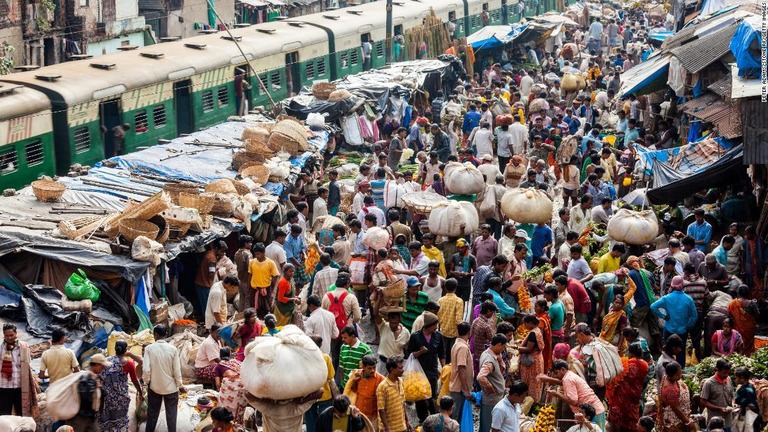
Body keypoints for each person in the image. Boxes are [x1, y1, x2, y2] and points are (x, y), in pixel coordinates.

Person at [143, 325, 184, 432]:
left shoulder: (149, 349)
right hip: (171, 388)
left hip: (154, 387)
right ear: (165, 335)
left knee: (152, 414)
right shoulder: (173, 349)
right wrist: (180, 385)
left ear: (155, 335)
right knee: (171, 415)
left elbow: (146, 370)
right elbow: (177, 370)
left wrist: (147, 382)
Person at [650, 275, 698, 367]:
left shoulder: (667, 298)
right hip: (682, 331)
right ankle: (680, 372)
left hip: (669, 330)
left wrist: (663, 316)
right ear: (682, 285)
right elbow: (694, 315)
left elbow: (653, 307)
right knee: (681, 352)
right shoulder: (688, 299)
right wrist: (689, 326)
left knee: (667, 352)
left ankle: (666, 370)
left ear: (672, 285)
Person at [546, 360, 606, 430]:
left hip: (593, 413)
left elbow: (574, 401)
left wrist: (557, 394)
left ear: (562, 369)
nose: (555, 376)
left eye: (556, 373)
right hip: (595, 410)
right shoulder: (569, 376)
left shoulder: (568, 379)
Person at [406, 312, 445, 422]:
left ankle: (433, 418)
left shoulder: (438, 336)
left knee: (432, 396)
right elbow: (409, 354)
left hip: (432, 371)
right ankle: (422, 419)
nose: (436, 327)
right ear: (429, 326)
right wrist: (420, 352)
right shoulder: (415, 337)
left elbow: (442, 353)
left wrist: (444, 368)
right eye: (435, 325)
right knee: (420, 397)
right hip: (418, 373)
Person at [98, 340, 143, 431]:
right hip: (121, 398)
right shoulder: (129, 364)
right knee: (120, 421)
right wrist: (140, 392)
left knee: (107, 420)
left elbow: (100, 378)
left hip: (107, 396)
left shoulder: (106, 361)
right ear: (125, 350)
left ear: (115, 349)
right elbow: (134, 380)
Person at [607, 343, 648, 432]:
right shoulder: (645, 365)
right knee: (631, 419)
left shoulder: (625, 364)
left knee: (616, 420)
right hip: (635, 397)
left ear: (630, 353)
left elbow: (614, 377)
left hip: (621, 398)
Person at [0, 323, 37, 417]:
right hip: (3, 387)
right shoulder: (1, 348)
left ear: (16, 334)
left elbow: (28, 364)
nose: (9, 338)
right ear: (3, 335)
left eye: (11, 335)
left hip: (20, 386)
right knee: (4, 415)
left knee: (21, 415)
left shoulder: (24, 346)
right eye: (7, 336)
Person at [68, 353, 109, 431]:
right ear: (96, 365)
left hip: (90, 417)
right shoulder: (85, 378)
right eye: (102, 366)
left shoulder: (95, 377)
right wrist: (95, 386)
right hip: (79, 418)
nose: (103, 368)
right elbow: (85, 398)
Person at [343, 355, 384, 428]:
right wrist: (354, 381)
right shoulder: (357, 375)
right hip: (358, 413)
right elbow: (353, 391)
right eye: (370, 368)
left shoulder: (381, 379)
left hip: (373, 417)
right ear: (363, 367)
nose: (373, 370)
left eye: (374, 367)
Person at [477, 334, 508, 432]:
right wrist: (490, 386)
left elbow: (502, 370)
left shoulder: (489, 354)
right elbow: (481, 377)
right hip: (491, 399)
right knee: (488, 425)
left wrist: (499, 359)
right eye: (503, 347)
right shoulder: (489, 360)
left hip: (494, 399)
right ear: (499, 345)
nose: (503, 349)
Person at [305, 335, 336, 432]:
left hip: (308, 396)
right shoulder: (326, 358)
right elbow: (331, 379)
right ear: (321, 345)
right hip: (325, 395)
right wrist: (337, 396)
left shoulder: (304, 359)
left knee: (310, 422)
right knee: (325, 421)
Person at [212, 348, 247, 425]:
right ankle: (238, 424)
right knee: (238, 408)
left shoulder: (219, 366)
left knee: (224, 404)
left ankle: (228, 423)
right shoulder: (237, 362)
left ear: (220, 356)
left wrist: (221, 393)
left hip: (231, 387)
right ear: (230, 354)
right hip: (243, 386)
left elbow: (217, 384)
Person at [658, 361, 694, 432]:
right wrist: (687, 422)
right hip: (675, 421)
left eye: (680, 373)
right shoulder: (670, 389)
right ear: (671, 375)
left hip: (680, 417)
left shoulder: (669, 378)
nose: (680, 376)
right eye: (677, 375)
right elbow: (675, 408)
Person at [700, 359, 735, 431]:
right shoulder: (709, 383)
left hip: (728, 421)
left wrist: (733, 403)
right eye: (724, 372)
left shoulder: (728, 379)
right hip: (715, 423)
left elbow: (732, 395)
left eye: (728, 373)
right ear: (717, 369)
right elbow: (703, 401)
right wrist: (719, 408)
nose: (726, 375)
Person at [377, 356, 410, 432]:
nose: (403, 370)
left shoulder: (400, 381)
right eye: (400, 368)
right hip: (390, 429)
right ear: (392, 369)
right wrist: (386, 428)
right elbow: (381, 409)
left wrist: (407, 421)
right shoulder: (382, 387)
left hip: (402, 427)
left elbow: (402, 403)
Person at [516, 315, 545, 401]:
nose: (524, 326)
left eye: (525, 324)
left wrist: (516, 347)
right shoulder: (537, 330)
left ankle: (529, 402)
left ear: (531, 323)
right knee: (535, 382)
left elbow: (529, 349)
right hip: (537, 359)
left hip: (532, 362)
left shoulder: (533, 333)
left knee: (531, 382)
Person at [249, 242, 281, 318]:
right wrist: (249, 287)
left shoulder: (270, 263)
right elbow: (250, 275)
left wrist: (273, 290)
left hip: (266, 289)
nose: (257, 256)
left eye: (258, 254)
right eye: (255, 254)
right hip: (255, 289)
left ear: (263, 253)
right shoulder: (252, 262)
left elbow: (276, 276)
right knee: (254, 309)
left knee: (267, 309)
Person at [449, 322, 473, 421]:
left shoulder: (457, 344)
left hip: (458, 387)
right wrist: (466, 390)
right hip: (459, 389)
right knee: (456, 417)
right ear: (469, 332)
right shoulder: (463, 347)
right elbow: (461, 368)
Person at [438, 278, 464, 361]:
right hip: (454, 332)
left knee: (443, 355)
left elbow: (438, 316)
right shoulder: (458, 301)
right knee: (453, 356)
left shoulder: (440, 300)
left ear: (445, 288)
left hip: (443, 330)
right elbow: (458, 320)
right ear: (456, 288)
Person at [728, 284, 759, 356]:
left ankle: (738, 357)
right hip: (750, 329)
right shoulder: (752, 303)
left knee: (738, 344)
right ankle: (748, 358)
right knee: (748, 346)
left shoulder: (732, 303)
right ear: (748, 292)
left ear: (738, 292)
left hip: (737, 328)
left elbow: (729, 315)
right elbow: (757, 315)